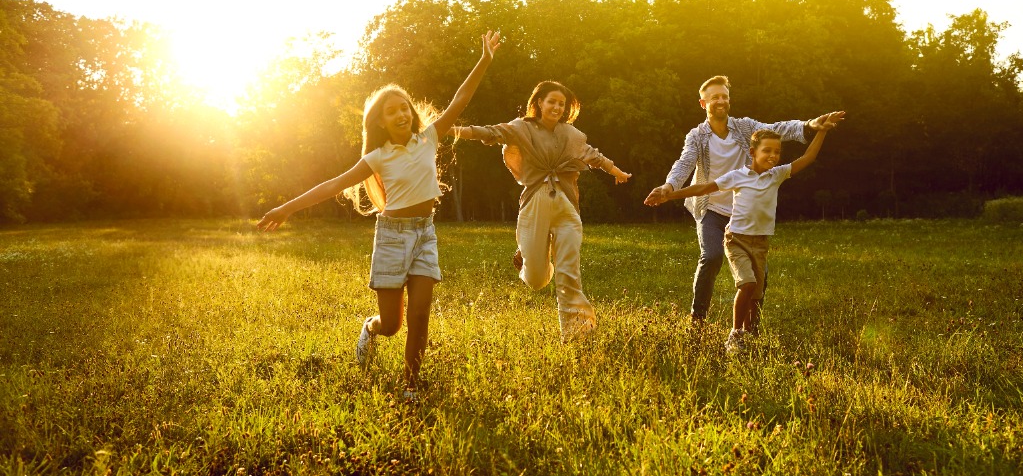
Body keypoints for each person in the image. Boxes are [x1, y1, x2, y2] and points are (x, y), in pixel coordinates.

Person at [256, 31, 501, 399]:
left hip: (425, 234)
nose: (401, 113)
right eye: (392, 111)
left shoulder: (429, 137)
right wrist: (285, 208)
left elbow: (460, 99)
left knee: (420, 315)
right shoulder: (377, 157)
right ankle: (369, 330)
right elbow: (332, 185)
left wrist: (484, 59)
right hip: (391, 237)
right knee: (392, 324)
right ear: (381, 122)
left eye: (405, 107)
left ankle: (410, 386)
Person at [647, 75, 840, 328]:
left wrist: (810, 125)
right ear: (703, 103)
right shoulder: (697, 136)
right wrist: (669, 187)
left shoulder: (744, 127)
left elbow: (777, 129)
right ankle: (698, 320)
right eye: (715, 97)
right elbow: (684, 163)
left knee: (760, 275)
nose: (721, 101)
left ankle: (751, 327)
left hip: (743, 212)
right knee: (712, 256)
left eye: (724, 96)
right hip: (711, 207)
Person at [453, 81, 632, 341]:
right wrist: (452, 129)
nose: (557, 107)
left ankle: (578, 334)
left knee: (569, 273)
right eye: (552, 102)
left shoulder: (571, 134)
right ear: (539, 103)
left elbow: (593, 155)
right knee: (536, 280)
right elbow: (490, 132)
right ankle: (529, 255)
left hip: (567, 207)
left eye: (562, 104)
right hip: (535, 204)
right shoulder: (521, 128)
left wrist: (616, 171)